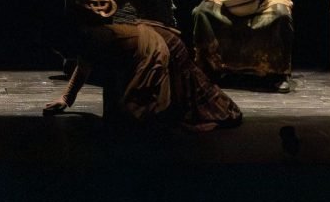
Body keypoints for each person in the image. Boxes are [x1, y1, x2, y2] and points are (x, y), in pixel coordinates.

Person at [41, 18, 243, 131]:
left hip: (160, 45)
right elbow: (87, 65)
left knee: (144, 112)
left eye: (61, 50)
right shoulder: (88, 40)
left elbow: (106, 75)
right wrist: (66, 99)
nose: (63, 56)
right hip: (146, 45)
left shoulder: (94, 38)